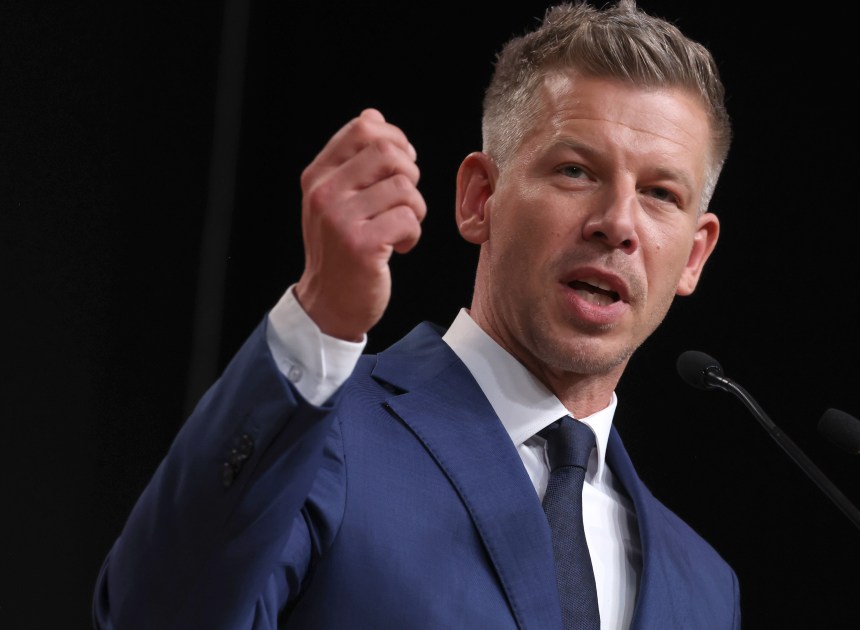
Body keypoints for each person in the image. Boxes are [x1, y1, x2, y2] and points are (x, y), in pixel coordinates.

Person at [93, 1, 739, 628]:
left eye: (660, 193)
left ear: (694, 255)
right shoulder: (319, 439)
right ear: (480, 198)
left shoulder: (706, 589)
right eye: (575, 170)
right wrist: (319, 318)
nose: (618, 223)